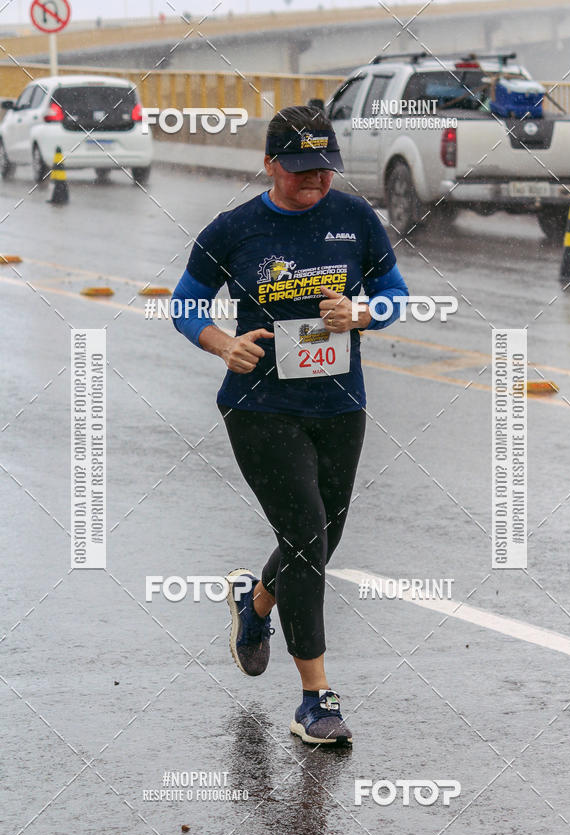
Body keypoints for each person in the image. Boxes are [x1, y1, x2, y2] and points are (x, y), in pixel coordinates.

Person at [172, 105, 408, 745]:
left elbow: (396, 295)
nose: (316, 181)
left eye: (324, 169)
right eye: (301, 170)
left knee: (327, 532)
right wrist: (222, 342)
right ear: (270, 164)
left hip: (339, 404)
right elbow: (185, 304)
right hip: (258, 407)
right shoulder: (236, 229)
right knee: (305, 535)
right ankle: (315, 699)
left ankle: (255, 607)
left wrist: (360, 313)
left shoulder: (355, 218)